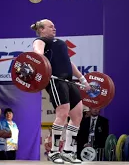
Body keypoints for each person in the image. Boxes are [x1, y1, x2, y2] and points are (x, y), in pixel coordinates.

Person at [31, 19, 91, 164]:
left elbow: (68, 63)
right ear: (41, 30)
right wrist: (43, 65)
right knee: (63, 113)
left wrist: (82, 79)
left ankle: (68, 152)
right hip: (55, 80)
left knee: (77, 115)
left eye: (54, 26)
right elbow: (37, 54)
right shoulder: (40, 40)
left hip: (68, 81)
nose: (54, 28)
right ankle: (54, 152)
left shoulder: (59, 43)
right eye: (50, 26)